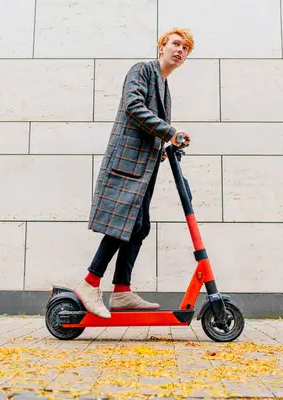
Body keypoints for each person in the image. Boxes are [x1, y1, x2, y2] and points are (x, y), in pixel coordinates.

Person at [74, 28, 195, 318]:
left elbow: (151, 129)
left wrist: (167, 146)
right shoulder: (141, 70)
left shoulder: (165, 89)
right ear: (161, 47)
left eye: (186, 48)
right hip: (126, 165)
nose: (180, 50)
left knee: (139, 227)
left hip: (143, 168)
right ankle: (90, 282)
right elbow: (134, 108)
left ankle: (122, 291)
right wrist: (170, 132)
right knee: (123, 226)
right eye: (175, 44)